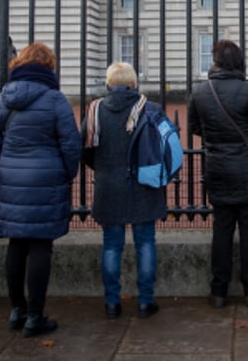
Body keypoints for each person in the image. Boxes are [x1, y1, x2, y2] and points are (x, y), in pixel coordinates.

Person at [0, 43, 82, 337]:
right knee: (41, 246)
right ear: (49, 67)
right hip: (46, 178)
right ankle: (35, 316)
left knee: (16, 244)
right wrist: (65, 173)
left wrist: (8, 165)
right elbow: (71, 144)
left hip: (12, 179)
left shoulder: (4, 99)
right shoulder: (55, 99)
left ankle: (17, 311)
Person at [188, 39, 248, 309]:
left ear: (214, 61)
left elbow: (194, 127)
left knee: (221, 230)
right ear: (238, 62)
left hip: (217, 168)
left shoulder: (201, 91)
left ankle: (218, 291)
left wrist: (218, 139)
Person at [84, 62, 167, 319]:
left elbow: (85, 149)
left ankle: (111, 302)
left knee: (111, 245)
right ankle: (145, 300)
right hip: (143, 183)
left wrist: (104, 169)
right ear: (134, 83)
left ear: (109, 84)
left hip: (109, 184)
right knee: (145, 243)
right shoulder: (150, 109)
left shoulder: (96, 110)